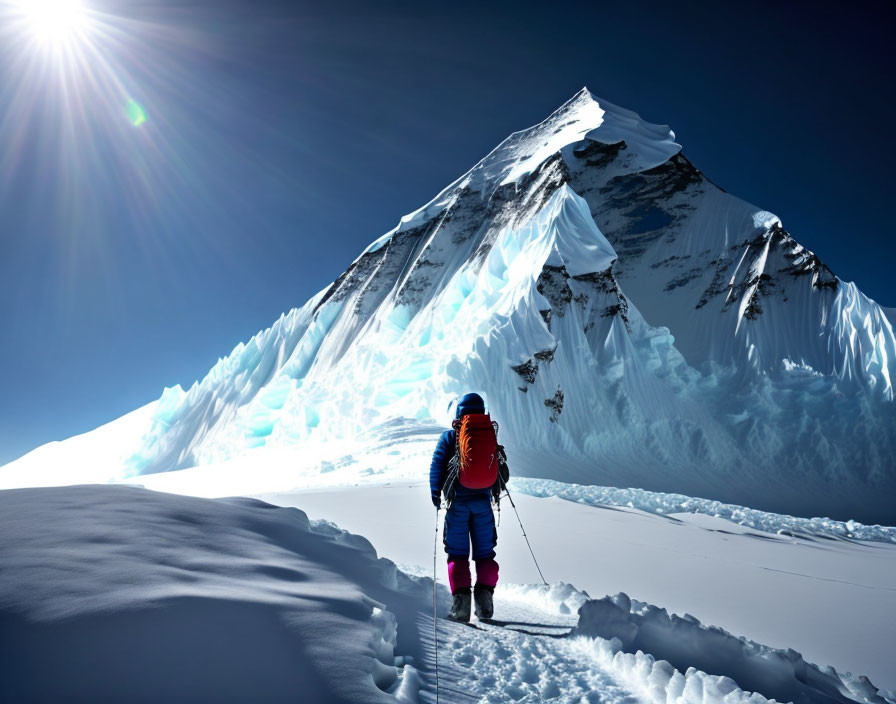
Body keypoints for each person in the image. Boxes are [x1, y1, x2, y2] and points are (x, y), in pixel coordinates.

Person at [430, 392, 507, 622]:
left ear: (459, 413)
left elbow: (437, 466)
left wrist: (436, 495)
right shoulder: (489, 435)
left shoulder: (450, 437)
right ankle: (485, 604)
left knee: (458, 554)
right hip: (483, 506)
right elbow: (501, 473)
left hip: (457, 507)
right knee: (485, 554)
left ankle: (461, 607)